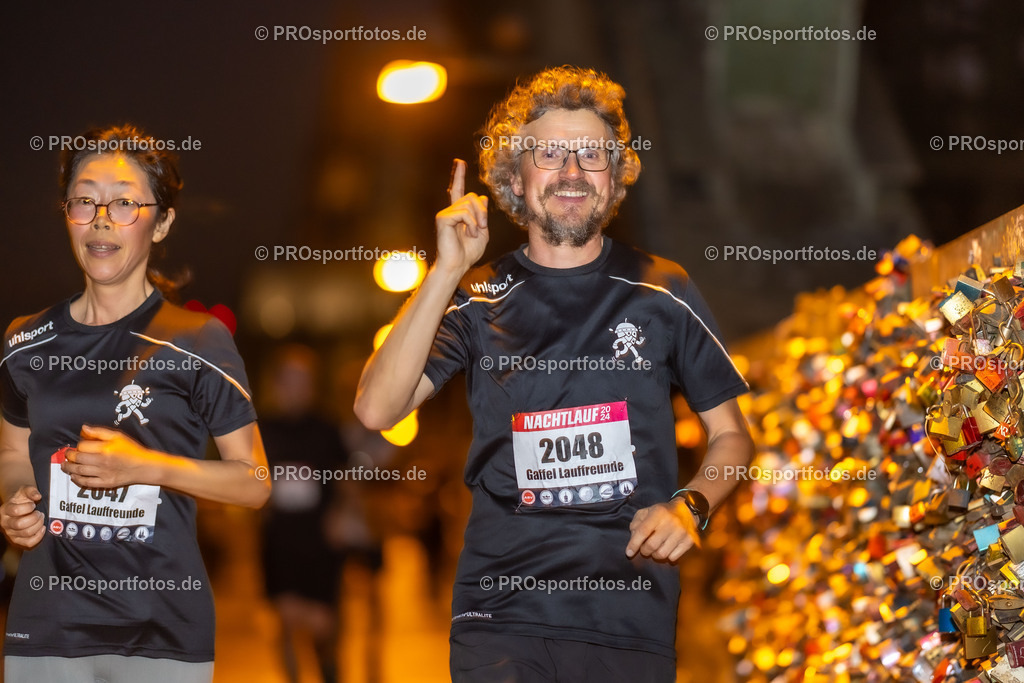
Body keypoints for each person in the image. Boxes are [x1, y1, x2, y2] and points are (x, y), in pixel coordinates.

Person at [354, 66, 755, 682]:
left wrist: (691, 506)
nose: (572, 171)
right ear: (515, 177)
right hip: (500, 618)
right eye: (549, 154)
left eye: (591, 155)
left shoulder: (663, 290)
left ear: (615, 174)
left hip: (630, 619)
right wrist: (443, 272)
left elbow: (732, 435)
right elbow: (377, 411)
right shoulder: (475, 297)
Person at [0, 124, 270, 682]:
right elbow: (10, 455)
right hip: (46, 625)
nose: (102, 217)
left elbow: (255, 480)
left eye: (124, 201)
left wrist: (144, 464)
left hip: (162, 630)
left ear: (162, 221)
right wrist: (14, 504)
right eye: (85, 199)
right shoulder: (24, 340)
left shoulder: (198, 340)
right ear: (67, 214)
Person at [258, 344, 348, 683]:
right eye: (290, 379)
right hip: (278, 541)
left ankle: (329, 672)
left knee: (323, 627)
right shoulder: (261, 431)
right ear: (277, 383)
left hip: (320, 542)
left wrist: (342, 513)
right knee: (284, 619)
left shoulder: (326, 429)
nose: (297, 388)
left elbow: (347, 478)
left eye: (304, 380)